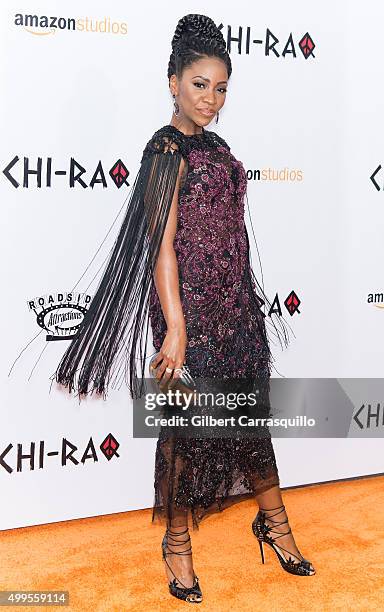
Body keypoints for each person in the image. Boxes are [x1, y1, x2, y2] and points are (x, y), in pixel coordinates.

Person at [53, 13, 315, 605]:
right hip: (187, 315)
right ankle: (177, 545)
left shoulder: (220, 147)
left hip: (235, 311)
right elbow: (162, 243)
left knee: (249, 421)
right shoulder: (164, 148)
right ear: (173, 81)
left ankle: (274, 526)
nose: (212, 99)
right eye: (200, 85)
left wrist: (247, 308)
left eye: (222, 88)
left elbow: (231, 234)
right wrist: (175, 326)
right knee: (183, 432)